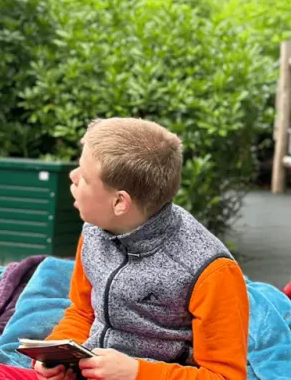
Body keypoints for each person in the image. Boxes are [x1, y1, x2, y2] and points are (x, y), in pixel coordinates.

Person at [33, 117, 249, 380]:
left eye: (85, 177)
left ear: (120, 203)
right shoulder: (94, 231)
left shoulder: (212, 272)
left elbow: (225, 377)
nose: (72, 177)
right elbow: (82, 312)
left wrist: (137, 373)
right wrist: (57, 357)